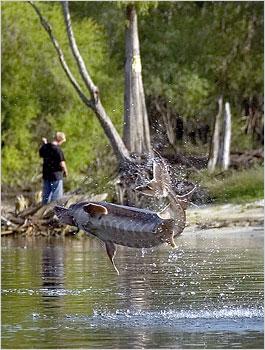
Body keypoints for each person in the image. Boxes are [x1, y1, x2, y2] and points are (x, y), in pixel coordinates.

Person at [39, 131, 68, 205]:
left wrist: (44, 143)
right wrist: (66, 171)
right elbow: (62, 163)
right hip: (56, 176)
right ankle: (53, 212)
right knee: (56, 196)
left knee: (46, 195)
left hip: (46, 175)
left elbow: (42, 152)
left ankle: (43, 211)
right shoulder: (58, 150)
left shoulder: (46, 147)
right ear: (60, 140)